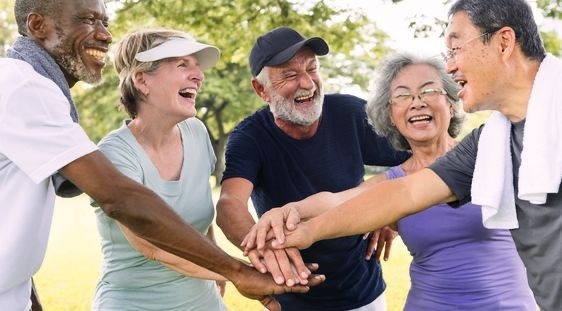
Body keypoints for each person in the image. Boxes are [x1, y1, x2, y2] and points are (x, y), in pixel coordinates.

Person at [0, 1, 322, 310]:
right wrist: (235, 271)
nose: (104, 34)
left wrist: (27, 298)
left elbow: (13, 214)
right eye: (87, 20)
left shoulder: (196, 134)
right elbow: (127, 208)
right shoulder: (26, 88)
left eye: (105, 22)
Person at [250, 1, 562, 310]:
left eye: (456, 49)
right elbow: (403, 193)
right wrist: (300, 223)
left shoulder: (518, 138)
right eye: (402, 96)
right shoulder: (490, 144)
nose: (452, 66)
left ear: (504, 42)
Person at [216, 26, 409, 311]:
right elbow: (230, 203)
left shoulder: (351, 114)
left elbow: (422, 158)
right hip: (293, 295)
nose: (307, 83)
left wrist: (392, 211)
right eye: (290, 75)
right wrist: (264, 247)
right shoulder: (250, 137)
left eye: (312, 69)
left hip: (365, 292)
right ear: (261, 90)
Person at [90, 28, 229, 310]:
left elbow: (199, 220)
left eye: (196, 66)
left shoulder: (196, 132)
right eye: (182, 65)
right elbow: (152, 245)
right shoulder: (115, 154)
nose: (198, 75)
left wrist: (215, 258)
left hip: (203, 300)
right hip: (132, 303)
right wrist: (236, 271)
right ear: (142, 80)